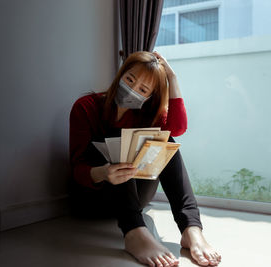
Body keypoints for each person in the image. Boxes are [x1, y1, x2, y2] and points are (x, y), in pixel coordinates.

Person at [69, 51, 222, 267]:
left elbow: (178, 128)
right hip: (94, 197)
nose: (132, 89)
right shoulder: (85, 107)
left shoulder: (146, 113)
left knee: (167, 139)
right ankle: (134, 232)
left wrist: (172, 78)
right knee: (117, 139)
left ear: (149, 96)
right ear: (121, 74)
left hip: (136, 197)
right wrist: (103, 172)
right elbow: (77, 168)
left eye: (143, 89)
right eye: (130, 79)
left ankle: (191, 229)